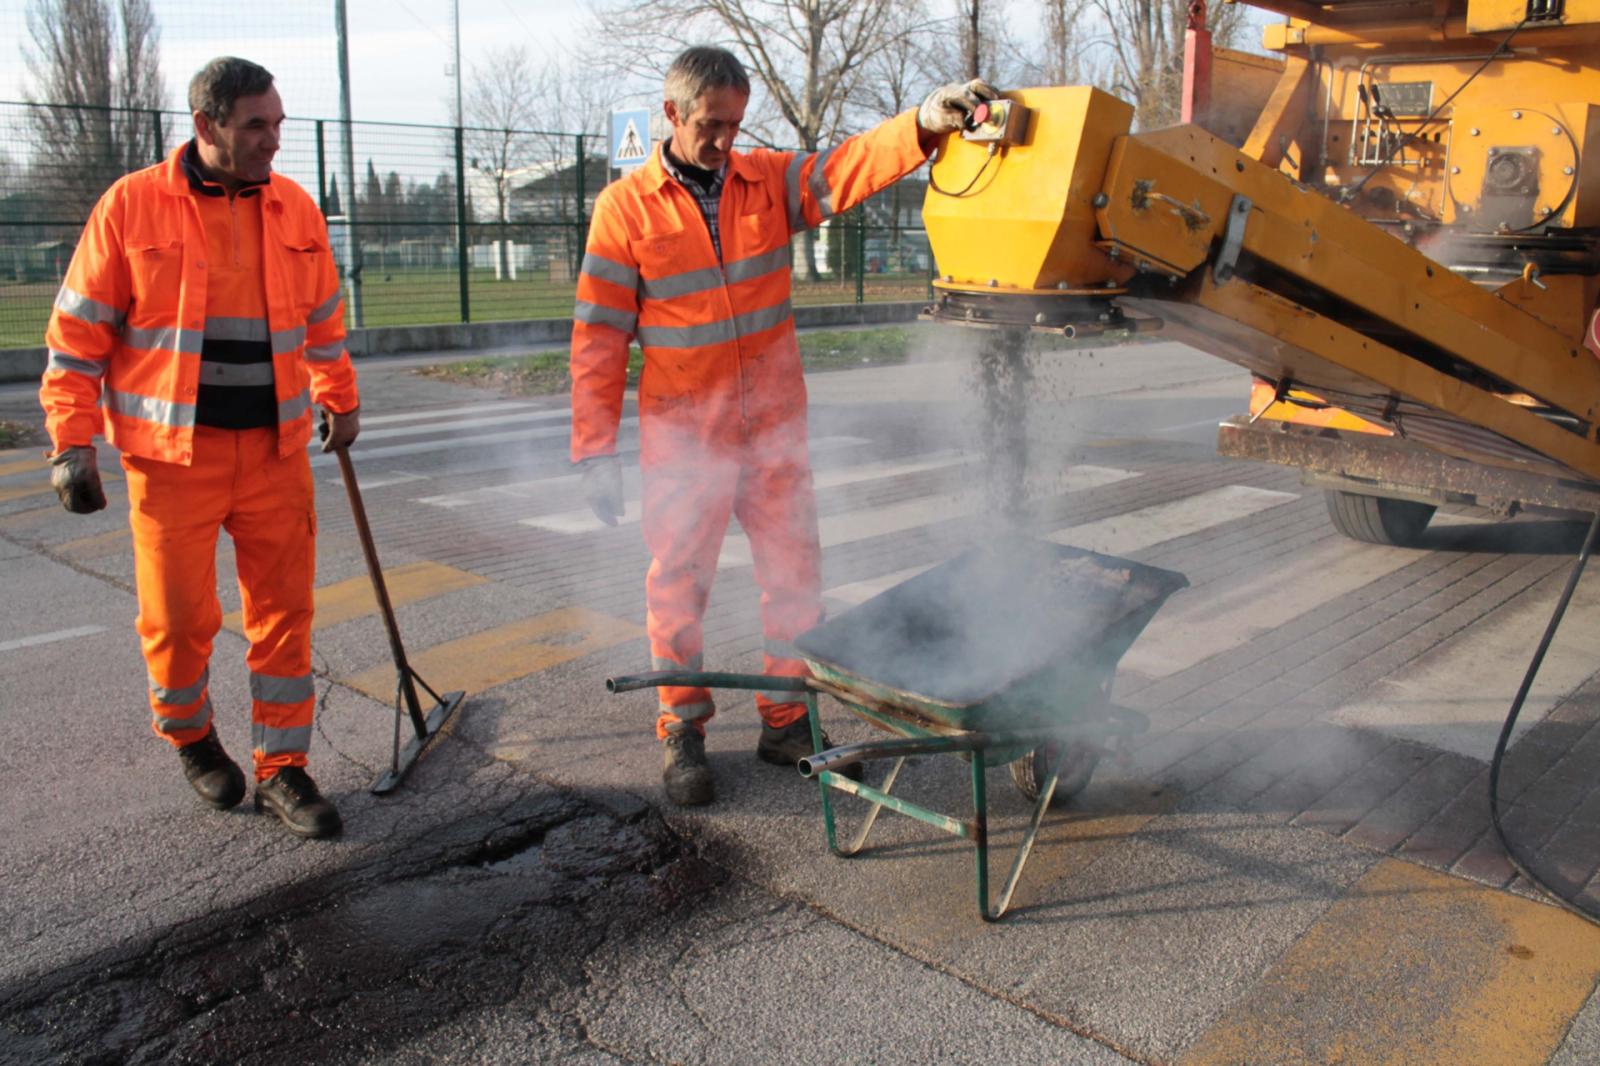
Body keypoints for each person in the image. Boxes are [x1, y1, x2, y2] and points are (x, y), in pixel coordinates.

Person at [569, 44, 994, 805]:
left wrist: (925, 125)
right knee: (678, 588)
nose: (727, 140)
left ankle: (787, 720)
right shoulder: (624, 209)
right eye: (711, 125)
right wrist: (594, 448)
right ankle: (683, 728)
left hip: (771, 428)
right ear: (671, 114)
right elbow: (599, 336)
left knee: (795, 579)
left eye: (736, 124)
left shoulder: (766, 179)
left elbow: (847, 167)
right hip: (682, 437)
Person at [39, 56, 360, 839]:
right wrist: (69, 443)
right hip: (172, 462)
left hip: (277, 454)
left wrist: (340, 399)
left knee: (283, 617)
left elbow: (323, 323)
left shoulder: (295, 210)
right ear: (207, 125)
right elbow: (76, 341)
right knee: (180, 620)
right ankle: (192, 740)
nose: (273, 141)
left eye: (279, 124)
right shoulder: (132, 207)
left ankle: (284, 769)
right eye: (257, 125)